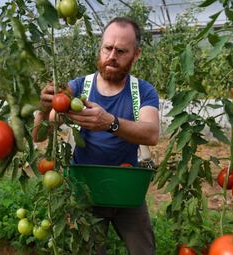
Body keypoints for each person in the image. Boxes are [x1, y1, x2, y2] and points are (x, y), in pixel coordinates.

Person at [33, 17, 160, 255]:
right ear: (100, 48)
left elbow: (151, 133)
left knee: (144, 249)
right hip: (85, 190)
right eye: (107, 48)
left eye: (121, 51)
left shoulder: (141, 91)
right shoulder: (78, 88)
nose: (112, 56)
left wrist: (110, 123)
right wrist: (43, 108)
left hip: (126, 188)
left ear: (136, 54)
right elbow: (39, 136)